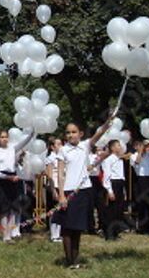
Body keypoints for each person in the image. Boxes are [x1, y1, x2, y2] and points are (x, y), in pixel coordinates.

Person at [54, 115, 113, 269]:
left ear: (80, 134)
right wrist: (61, 195)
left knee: (78, 227)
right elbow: (60, 173)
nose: (70, 135)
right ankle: (69, 261)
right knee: (67, 227)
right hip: (68, 191)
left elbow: (99, 133)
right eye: (68, 132)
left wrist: (108, 122)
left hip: (84, 190)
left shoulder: (85, 145)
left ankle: (76, 259)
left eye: (73, 132)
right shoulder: (63, 150)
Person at [0, 129, 35, 242]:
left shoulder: (12, 149)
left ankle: (10, 234)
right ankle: (5, 235)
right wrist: (8, 178)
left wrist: (31, 133)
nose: (4, 139)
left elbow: (23, 143)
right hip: (4, 179)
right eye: (2, 137)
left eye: (6, 137)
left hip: (13, 178)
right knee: (4, 209)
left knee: (13, 208)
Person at [131, 140, 149, 235]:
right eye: (139, 145)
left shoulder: (148, 154)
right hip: (141, 180)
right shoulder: (133, 155)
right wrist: (140, 151)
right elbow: (137, 162)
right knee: (142, 204)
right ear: (135, 146)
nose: (143, 147)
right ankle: (142, 227)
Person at [101, 139, 127, 240]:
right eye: (117, 145)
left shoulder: (119, 159)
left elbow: (121, 175)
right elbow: (106, 176)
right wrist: (110, 190)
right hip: (113, 184)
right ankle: (109, 233)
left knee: (118, 210)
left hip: (120, 184)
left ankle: (116, 232)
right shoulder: (109, 160)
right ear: (112, 148)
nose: (120, 147)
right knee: (111, 211)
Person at [44, 137, 63, 242]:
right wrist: (53, 190)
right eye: (58, 144)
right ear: (52, 147)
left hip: (61, 186)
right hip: (53, 186)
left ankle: (58, 233)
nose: (61, 146)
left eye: (61, 144)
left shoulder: (62, 157)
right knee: (53, 210)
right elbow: (50, 175)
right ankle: (53, 234)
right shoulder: (50, 159)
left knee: (60, 210)